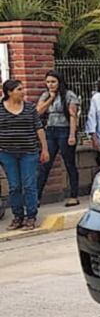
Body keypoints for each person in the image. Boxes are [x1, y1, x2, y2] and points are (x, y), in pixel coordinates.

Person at [0, 79, 50, 230]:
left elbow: (39, 128)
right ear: (9, 92)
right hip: (7, 153)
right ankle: (18, 216)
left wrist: (44, 149)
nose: (23, 92)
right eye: (19, 89)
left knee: (29, 185)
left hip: (28, 152)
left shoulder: (29, 108)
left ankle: (31, 216)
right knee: (14, 186)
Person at [36, 70, 80, 207]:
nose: (50, 85)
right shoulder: (45, 95)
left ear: (59, 82)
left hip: (65, 130)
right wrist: (50, 98)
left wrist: (72, 134)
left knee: (69, 163)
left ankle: (74, 195)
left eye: (53, 82)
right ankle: (36, 197)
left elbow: (73, 115)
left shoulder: (68, 95)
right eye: (48, 82)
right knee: (45, 164)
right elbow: (38, 111)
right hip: (50, 130)